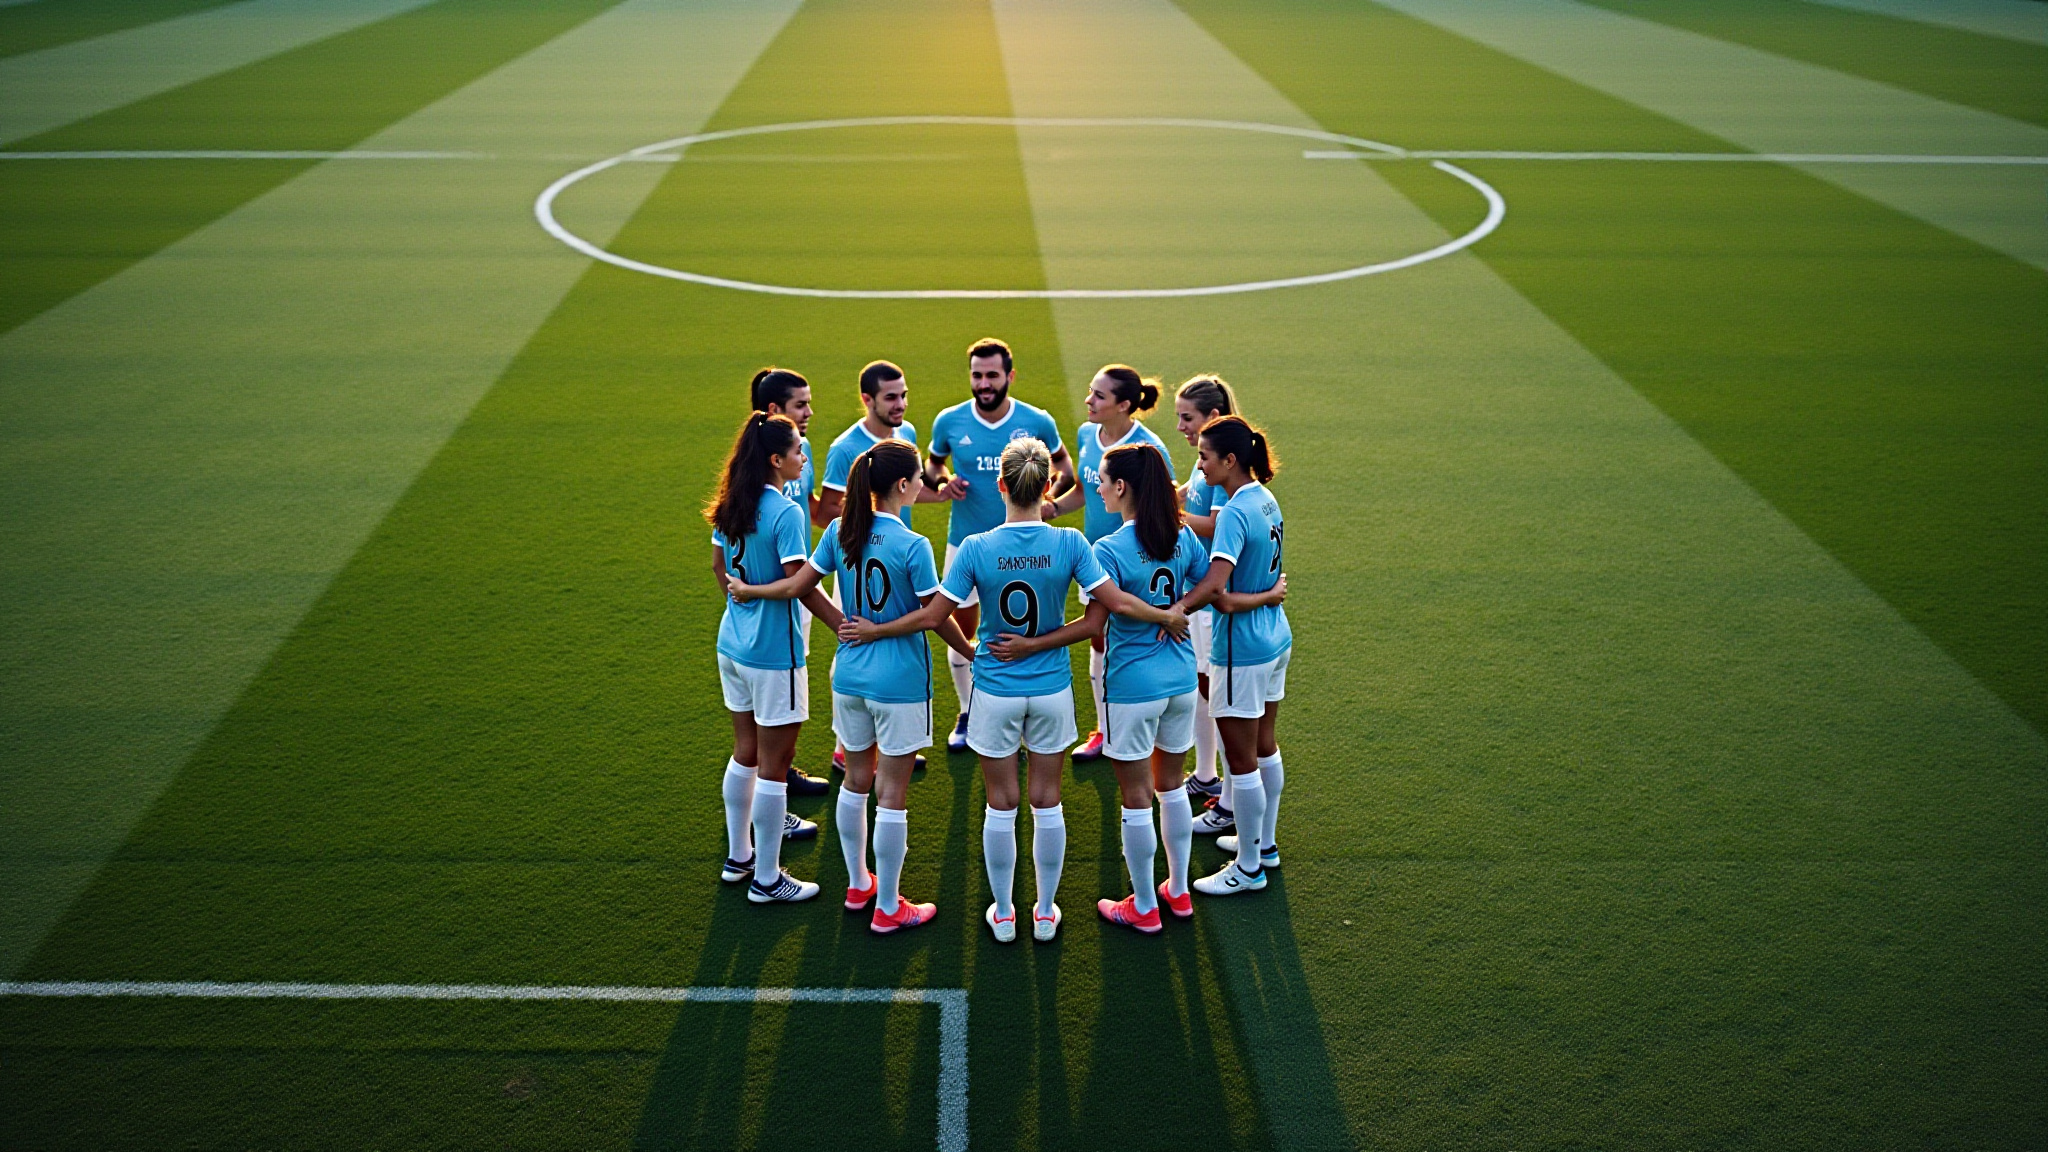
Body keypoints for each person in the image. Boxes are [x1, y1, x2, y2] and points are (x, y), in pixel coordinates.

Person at [841, 437, 1183, 944]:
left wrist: (980, 645)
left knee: (1000, 803)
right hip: (1051, 690)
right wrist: (1041, 644)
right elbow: (1098, 620)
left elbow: (938, 615)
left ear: (1000, 485)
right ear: (1048, 487)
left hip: (995, 690)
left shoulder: (977, 547)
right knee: (1048, 801)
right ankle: (1045, 912)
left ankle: (1003, 912)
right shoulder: (1071, 544)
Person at [729, 440, 972, 934]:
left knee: (857, 779)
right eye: (919, 479)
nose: (924, 484)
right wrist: (970, 652)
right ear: (902, 487)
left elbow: (800, 587)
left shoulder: (840, 530)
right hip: (900, 682)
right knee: (893, 793)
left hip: (849, 674)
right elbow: (934, 615)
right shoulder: (913, 545)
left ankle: (858, 883)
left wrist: (751, 591)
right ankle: (887, 906)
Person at [990, 442, 1207, 933]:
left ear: (1122, 487)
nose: (1097, 487)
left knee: (1136, 796)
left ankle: (1145, 907)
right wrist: (1178, 613)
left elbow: (1094, 623)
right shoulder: (1181, 537)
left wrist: (1033, 644)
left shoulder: (1107, 549)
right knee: (1172, 787)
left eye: (1103, 480)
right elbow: (1207, 584)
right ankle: (1179, 890)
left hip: (1131, 687)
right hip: (1179, 679)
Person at [706, 413, 843, 904]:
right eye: (799, 451)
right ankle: (767, 878)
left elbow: (721, 567)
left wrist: (739, 599)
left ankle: (739, 857)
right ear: (776, 459)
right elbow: (800, 585)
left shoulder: (731, 503)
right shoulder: (784, 513)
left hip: (732, 646)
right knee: (775, 762)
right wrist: (841, 627)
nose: (804, 459)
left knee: (745, 751)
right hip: (772, 655)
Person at [924, 338, 1073, 756]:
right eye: (977, 375)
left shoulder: (1037, 421)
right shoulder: (950, 421)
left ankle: (1022, 719)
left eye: (992, 375)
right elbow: (932, 464)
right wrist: (941, 482)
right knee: (965, 634)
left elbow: (1065, 470)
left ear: (1010, 375)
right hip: (966, 545)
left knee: (1021, 629)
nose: (984, 384)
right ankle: (969, 712)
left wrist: (1049, 503)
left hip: (1026, 546)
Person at [819, 360, 948, 777]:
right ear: (867, 400)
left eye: (904, 395)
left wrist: (942, 494)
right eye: (891, 397)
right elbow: (826, 513)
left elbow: (909, 489)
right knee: (854, 640)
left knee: (882, 640)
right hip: (858, 556)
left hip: (897, 558)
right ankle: (848, 745)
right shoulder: (844, 449)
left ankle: (891, 744)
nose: (901, 404)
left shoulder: (906, 435)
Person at [1179, 416, 1290, 896]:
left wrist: (1174, 609)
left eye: (1205, 456)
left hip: (1239, 648)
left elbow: (1216, 589)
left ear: (1229, 460)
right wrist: (1263, 598)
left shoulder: (1232, 513)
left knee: (1240, 759)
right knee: (1266, 745)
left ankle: (1248, 868)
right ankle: (1264, 845)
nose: (1199, 464)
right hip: (1275, 640)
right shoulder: (1265, 499)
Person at [1040, 366, 1170, 762]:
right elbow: (1084, 490)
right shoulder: (1086, 434)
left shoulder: (1149, 449)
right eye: (1090, 392)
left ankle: (1151, 730)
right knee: (1100, 640)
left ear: (1124, 405)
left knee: (1140, 639)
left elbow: (1165, 507)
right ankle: (1104, 728)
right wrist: (1053, 509)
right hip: (1095, 559)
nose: (1088, 401)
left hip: (1136, 561)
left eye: (1098, 396)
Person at [751, 367, 833, 797]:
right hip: (780, 595)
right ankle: (773, 782)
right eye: (801, 404)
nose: (809, 412)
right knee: (776, 702)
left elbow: (816, 510)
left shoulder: (802, 451)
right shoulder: (754, 477)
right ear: (773, 410)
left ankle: (782, 770)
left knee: (789, 693)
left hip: (795, 593)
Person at [1172, 374, 1241, 824]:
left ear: (1213, 417)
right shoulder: (1207, 463)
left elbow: (1216, 526)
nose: (1180, 426)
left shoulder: (1224, 467)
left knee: (1223, 696)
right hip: (1201, 589)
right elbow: (1192, 498)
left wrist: (1172, 516)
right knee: (1203, 686)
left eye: (1186, 417)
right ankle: (1206, 774)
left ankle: (1234, 799)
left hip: (1216, 599)